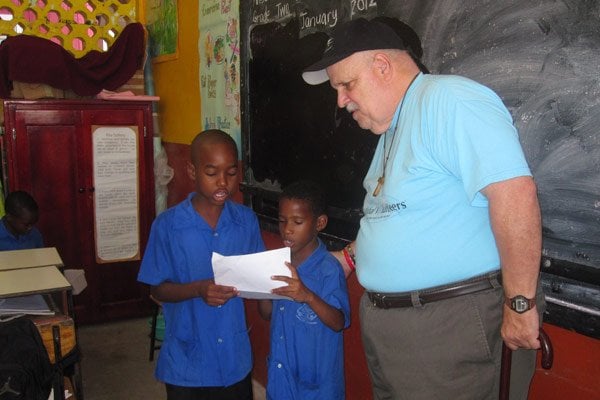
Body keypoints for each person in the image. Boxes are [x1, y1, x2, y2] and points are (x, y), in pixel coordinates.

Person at [302, 18, 545, 400]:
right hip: (396, 329)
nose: (340, 100)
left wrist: (519, 303)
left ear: (381, 66)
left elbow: (515, 193)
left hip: (446, 326)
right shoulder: (394, 127)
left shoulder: (448, 101)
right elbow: (400, 215)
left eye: (346, 85)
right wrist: (349, 258)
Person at [137, 129, 265, 400]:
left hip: (234, 358)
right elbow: (157, 290)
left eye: (231, 173)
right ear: (192, 171)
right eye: (211, 173)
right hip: (187, 361)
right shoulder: (168, 226)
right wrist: (197, 289)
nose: (223, 183)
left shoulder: (246, 222)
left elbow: (258, 281)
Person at [258, 180, 350, 400]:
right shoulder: (279, 263)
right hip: (282, 377)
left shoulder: (329, 269)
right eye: (282, 221)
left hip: (317, 388)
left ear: (319, 223)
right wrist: (261, 291)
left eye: (297, 222)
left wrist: (307, 296)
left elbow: (339, 322)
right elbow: (266, 314)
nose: (287, 229)